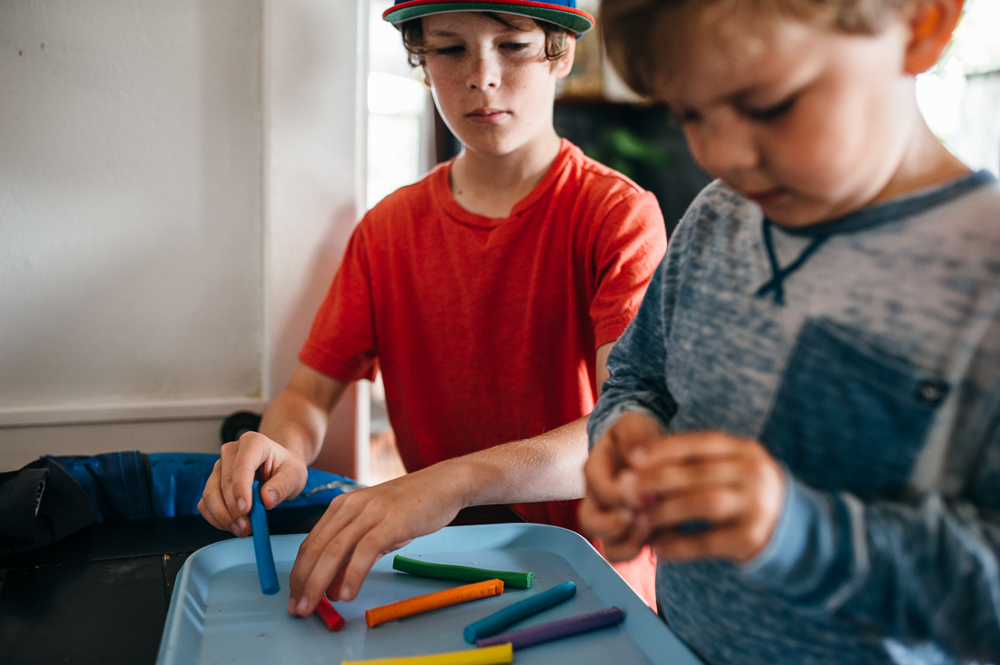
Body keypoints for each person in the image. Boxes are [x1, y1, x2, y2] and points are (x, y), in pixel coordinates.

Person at [197, 0, 667, 618]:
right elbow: (309, 397)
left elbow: (622, 432)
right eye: (450, 49)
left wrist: (450, 481)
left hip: (592, 578)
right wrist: (280, 446)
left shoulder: (618, 217)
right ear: (421, 60)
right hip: (438, 575)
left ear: (562, 52)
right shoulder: (386, 230)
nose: (482, 76)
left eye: (514, 45)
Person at [580, 0, 1000, 662]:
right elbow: (637, 376)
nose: (720, 155)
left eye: (769, 105)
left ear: (922, 24)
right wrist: (626, 433)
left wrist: (800, 532)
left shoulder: (986, 275)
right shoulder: (718, 216)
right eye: (689, 114)